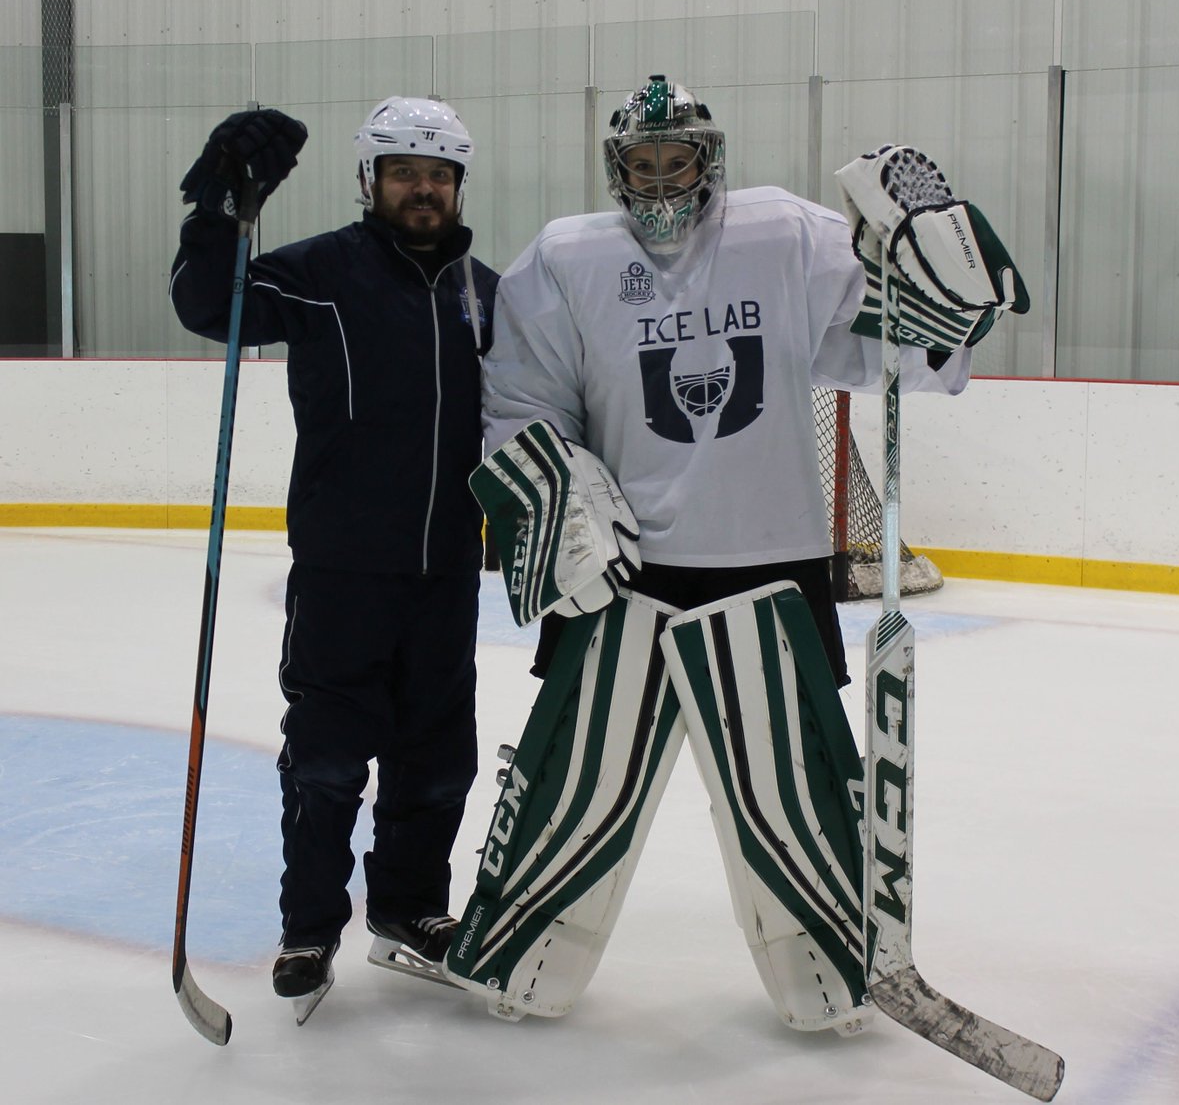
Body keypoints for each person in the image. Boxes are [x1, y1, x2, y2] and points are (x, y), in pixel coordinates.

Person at [442, 76, 994, 1031]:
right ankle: (522, 948)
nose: (661, 179)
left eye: (678, 158)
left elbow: (901, 347)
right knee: (579, 780)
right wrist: (563, 490)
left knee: (797, 790)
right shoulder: (566, 258)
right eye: (643, 162)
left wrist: (930, 271)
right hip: (624, 568)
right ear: (617, 168)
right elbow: (522, 401)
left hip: (771, 566)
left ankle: (825, 965)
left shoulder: (782, 233)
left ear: (711, 158)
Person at [169, 97, 499, 1009]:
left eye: (438, 175)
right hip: (341, 569)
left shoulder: (488, 293)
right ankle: (309, 928)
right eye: (404, 172)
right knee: (325, 757)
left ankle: (409, 908)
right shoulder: (321, 271)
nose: (423, 189)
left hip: (444, 571)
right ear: (372, 180)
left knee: (437, 757)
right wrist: (219, 218)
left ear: (458, 185)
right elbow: (209, 307)